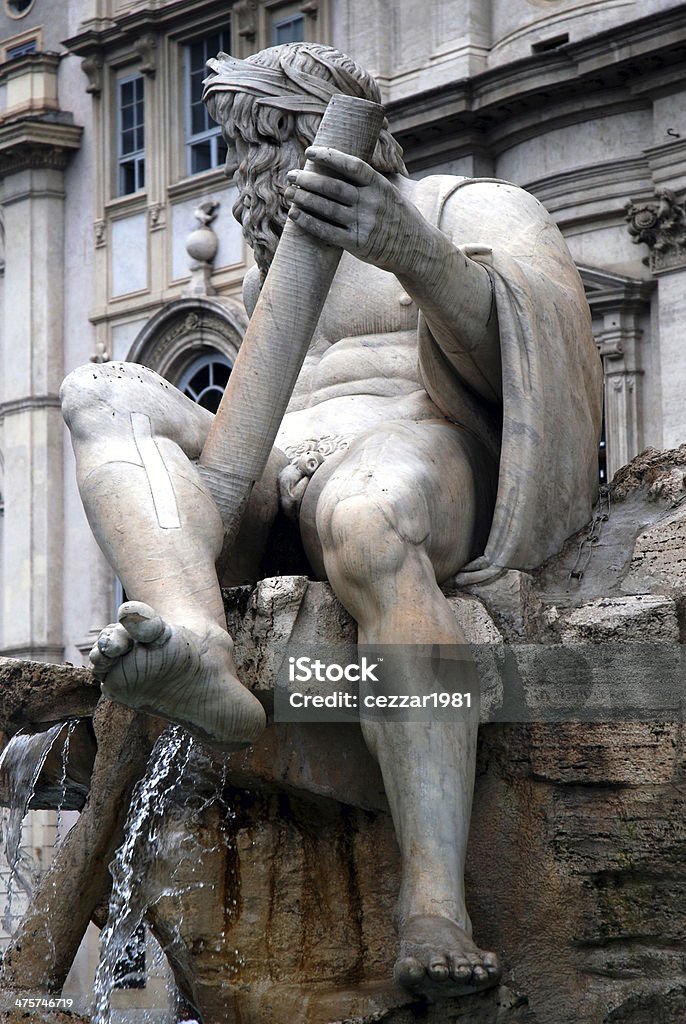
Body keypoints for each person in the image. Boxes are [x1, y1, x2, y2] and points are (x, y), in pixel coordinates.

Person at [60, 42, 602, 998]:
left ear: (340, 130)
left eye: (272, 140)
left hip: (421, 440)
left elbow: (539, 347)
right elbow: (246, 429)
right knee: (100, 390)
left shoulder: (460, 206)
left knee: (367, 520)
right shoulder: (275, 274)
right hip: (279, 463)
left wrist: (411, 251)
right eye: (242, 148)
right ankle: (193, 636)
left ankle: (433, 899)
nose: (254, 171)